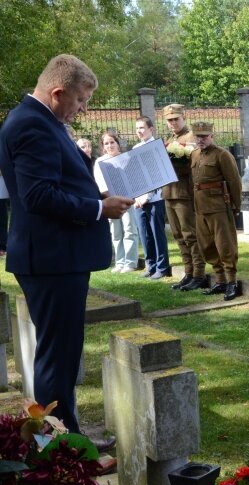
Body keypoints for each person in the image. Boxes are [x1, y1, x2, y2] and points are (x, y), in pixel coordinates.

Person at [0, 54, 134, 436]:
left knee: (62, 355)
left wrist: (100, 195)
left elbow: (58, 182)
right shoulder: (31, 125)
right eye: (79, 100)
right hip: (52, 258)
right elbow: (38, 195)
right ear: (57, 92)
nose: (83, 109)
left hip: (57, 256)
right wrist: (97, 208)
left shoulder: (43, 120)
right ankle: (61, 451)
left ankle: (65, 439)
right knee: (57, 359)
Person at [190, 122, 242, 301]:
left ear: (212, 136)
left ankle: (232, 282)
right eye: (198, 136)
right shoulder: (195, 154)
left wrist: (236, 205)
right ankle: (220, 281)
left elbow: (234, 180)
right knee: (207, 246)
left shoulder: (222, 155)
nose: (201, 139)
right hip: (201, 208)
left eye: (204, 136)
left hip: (219, 206)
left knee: (225, 245)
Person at [162, 104, 206, 291]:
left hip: (184, 193)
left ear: (183, 118)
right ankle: (188, 273)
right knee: (179, 236)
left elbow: (194, 165)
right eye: (169, 120)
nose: (173, 123)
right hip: (169, 193)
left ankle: (199, 274)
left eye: (176, 119)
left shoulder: (191, 138)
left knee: (191, 235)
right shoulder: (170, 139)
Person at [94, 131, 140, 273]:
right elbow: (100, 183)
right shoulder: (100, 161)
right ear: (103, 146)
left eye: (112, 142)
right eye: (106, 143)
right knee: (116, 232)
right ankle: (120, 262)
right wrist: (110, 197)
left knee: (129, 230)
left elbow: (133, 178)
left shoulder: (126, 158)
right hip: (110, 200)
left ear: (118, 143)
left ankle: (130, 263)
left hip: (127, 199)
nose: (110, 145)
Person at [133, 116, 171, 280]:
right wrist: (136, 197)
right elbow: (136, 176)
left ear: (151, 129)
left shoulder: (157, 147)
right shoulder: (136, 148)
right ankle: (150, 265)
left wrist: (147, 196)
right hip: (138, 201)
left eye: (142, 128)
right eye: (137, 129)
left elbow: (157, 176)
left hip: (154, 199)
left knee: (157, 233)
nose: (139, 131)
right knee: (144, 234)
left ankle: (162, 267)